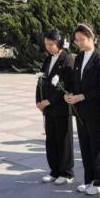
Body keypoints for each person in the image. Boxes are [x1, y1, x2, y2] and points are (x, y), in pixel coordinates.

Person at [65, 24, 100, 196]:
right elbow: (75, 82)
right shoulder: (78, 58)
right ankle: (88, 179)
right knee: (84, 144)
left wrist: (82, 96)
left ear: (93, 39)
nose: (79, 43)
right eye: (77, 40)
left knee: (96, 144)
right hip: (80, 110)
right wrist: (70, 93)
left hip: (95, 109)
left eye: (82, 40)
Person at [36, 30, 75, 185]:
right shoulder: (48, 59)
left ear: (59, 43)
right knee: (51, 140)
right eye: (46, 44)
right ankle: (54, 170)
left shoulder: (67, 59)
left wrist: (49, 101)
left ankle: (66, 173)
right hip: (48, 108)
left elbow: (66, 84)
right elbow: (40, 80)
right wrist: (39, 100)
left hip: (61, 107)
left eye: (51, 44)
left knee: (63, 140)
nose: (48, 47)